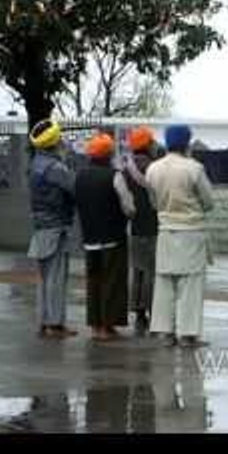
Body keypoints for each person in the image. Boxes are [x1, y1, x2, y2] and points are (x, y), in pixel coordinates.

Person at [146, 124, 216, 348]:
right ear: (187, 143)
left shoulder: (153, 169)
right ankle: (188, 335)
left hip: (165, 230)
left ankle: (164, 332)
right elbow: (209, 202)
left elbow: (153, 202)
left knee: (165, 282)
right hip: (191, 232)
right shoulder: (194, 168)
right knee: (190, 284)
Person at [75, 133, 136, 341]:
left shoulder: (80, 176)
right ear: (109, 154)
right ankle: (107, 327)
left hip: (90, 238)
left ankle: (95, 326)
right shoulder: (114, 176)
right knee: (112, 281)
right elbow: (128, 207)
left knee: (94, 282)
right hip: (113, 238)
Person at [26, 119, 78, 340]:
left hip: (41, 226)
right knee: (56, 279)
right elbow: (74, 187)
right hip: (56, 227)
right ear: (55, 142)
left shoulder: (35, 163)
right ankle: (54, 325)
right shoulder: (55, 167)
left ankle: (44, 322)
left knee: (45, 278)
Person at [123, 126, 160, 335]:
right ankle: (153, 311)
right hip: (154, 226)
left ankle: (138, 314)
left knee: (137, 270)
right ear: (148, 145)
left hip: (134, 226)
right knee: (152, 272)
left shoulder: (127, 168)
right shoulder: (154, 167)